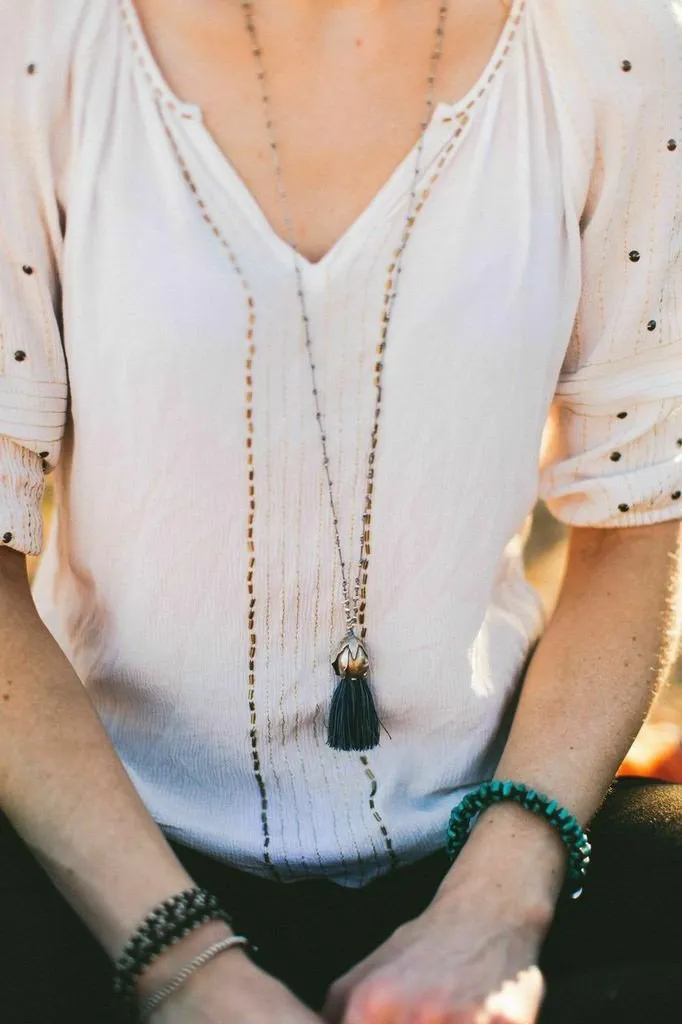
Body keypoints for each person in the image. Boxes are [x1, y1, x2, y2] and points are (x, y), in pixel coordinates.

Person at [1, 0, 681, 1021]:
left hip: (492, 821)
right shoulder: (38, 43)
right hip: (96, 847)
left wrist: (496, 906)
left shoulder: (619, 41)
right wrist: (181, 965)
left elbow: (635, 522)